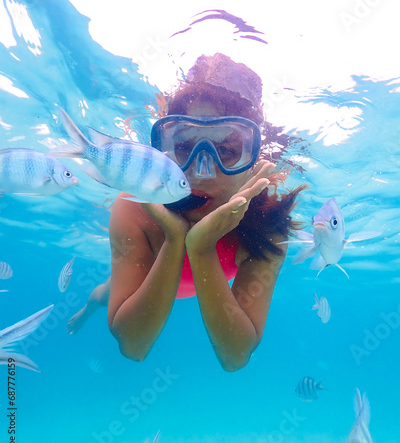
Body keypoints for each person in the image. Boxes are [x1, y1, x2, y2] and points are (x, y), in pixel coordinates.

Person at [69, 53, 304, 372]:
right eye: (183, 147)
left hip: (188, 279)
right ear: (163, 148)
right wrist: (173, 240)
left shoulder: (266, 223)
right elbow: (133, 346)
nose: (203, 171)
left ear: (253, 159)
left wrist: (202, 247)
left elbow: (235, 357)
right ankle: (89, 309)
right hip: (148, 279)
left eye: (228, 150)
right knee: (104, 293)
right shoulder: (136, 207)